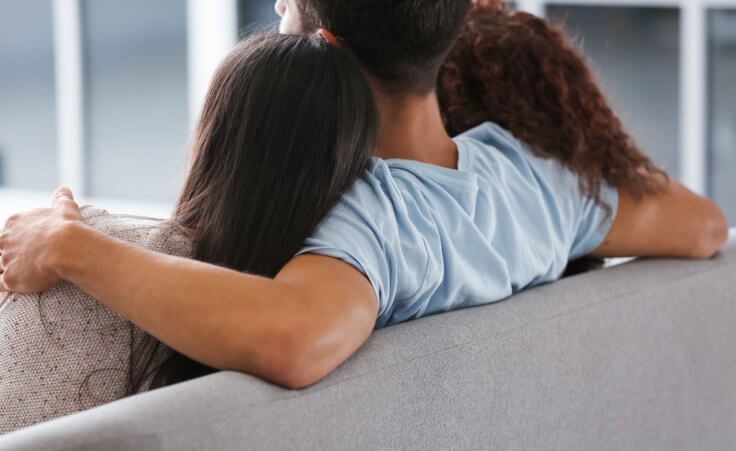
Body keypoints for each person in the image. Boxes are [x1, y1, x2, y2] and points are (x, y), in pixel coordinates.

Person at [0, 0, 728, 390]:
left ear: (330, 49)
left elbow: (289, 337)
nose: (280, 5)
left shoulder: (376, 218)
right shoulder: (533, 178)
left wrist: (70, 246)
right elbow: (703, 225)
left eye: (289, 6)